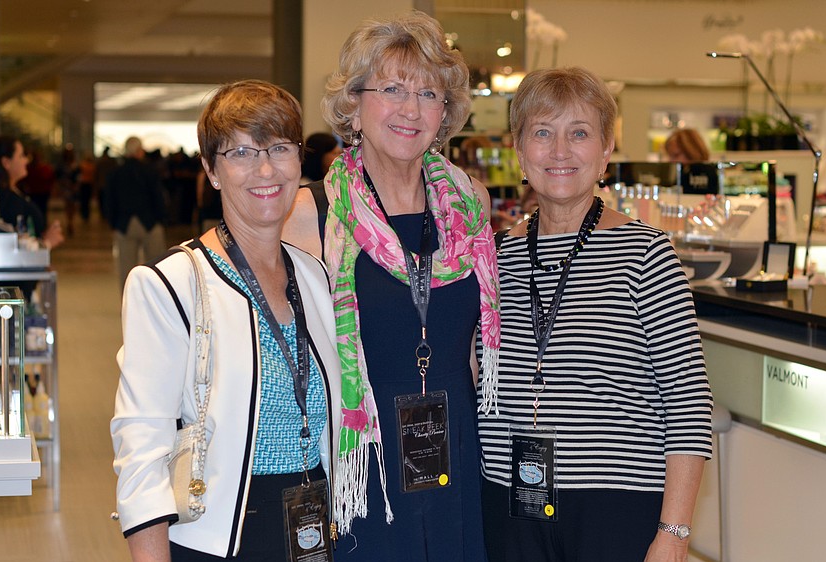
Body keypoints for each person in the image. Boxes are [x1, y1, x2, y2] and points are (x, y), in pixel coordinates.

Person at [283, 11, 499, 561]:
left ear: (445, 113)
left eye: (428, 94)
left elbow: (473, 347)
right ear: (353, 106)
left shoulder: (469, 205)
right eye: (392, 90)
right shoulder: (313, 216)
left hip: (455, 446)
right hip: (364, 459)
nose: (411, 109)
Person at [478, 67, 713, 562]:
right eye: (543, 132)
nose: (560, 151)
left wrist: (674, 533)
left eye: (580, 133)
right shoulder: (492, 258)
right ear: (519, 151)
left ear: (606, 151)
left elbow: (688, 403)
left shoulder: (645, 255)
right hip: (507, 501)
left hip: (616, 508)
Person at [111, 79, 342, 561]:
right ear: (211, 171)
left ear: (299, 161)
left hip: (310, 527)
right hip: (219, 538)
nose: (265, 168)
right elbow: (141, 450)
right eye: (240, 153)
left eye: (279, 148)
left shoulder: (313, 277)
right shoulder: (171, 284)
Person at [103, 136, 168, 290]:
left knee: (126, 271)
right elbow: (158, 197)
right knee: (156, 269)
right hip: (150, 223)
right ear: (140, 151)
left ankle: (129, 302)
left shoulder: (116, 173)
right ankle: (156, 300)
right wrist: (162, 219)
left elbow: (109, 200)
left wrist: (113, 223)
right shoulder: (150, 171)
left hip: (124, 224)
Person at [0, 135, 64, 249]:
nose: (26, 160)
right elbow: (10, 245)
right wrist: (46, 243)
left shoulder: (11, 192)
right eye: (21, 156)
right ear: (6, 162)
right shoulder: (0, 199)